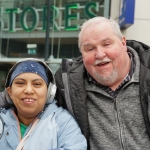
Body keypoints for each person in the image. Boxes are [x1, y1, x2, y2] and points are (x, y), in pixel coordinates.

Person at [54, 17, 150, 150]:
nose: (99, 54)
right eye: (89, 49)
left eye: (106, 44)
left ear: (123, 43)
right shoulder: (67, 86)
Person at [0, 58, 87, 150]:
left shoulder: (63, 122)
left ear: (50, 92)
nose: (28, 90)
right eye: (20, 83)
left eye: (37, 84)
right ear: (9, 92)